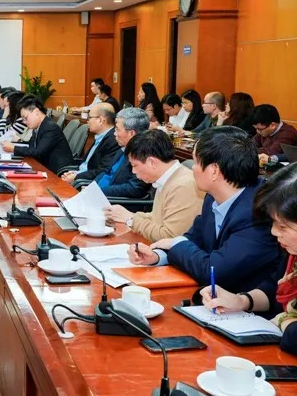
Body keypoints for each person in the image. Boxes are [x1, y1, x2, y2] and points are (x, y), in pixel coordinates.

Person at [128, 127, 282, 294]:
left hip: (244, 302)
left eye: (195, 162)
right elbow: (194, 238)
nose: (192, 168)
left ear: (214, 171)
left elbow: (213, 272)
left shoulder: (257, 212)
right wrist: (158, 256)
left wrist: (175, 244)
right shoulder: (211, 198)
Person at [198, 164, 297, 355]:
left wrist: (284, 320)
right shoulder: (292, 255)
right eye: (273, 223)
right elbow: (273, 290)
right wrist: (240, 301)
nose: (273, 232)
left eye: (283, 226)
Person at [104, 130, 204, 241]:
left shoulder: (183, 186)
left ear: (152, 162)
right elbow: (157, 218)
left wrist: (131, 220)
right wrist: (125, 215)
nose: (133, 171)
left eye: (134, 165)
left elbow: (170, 238)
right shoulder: (166, 178)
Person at [76, 107, 151, 199]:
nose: (114, 133)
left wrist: (99, 191)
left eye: (117, 129)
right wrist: (91, 187)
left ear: (131, 133)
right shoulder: (122, 148)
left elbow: (134, 188)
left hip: (113, 202)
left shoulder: (143, 154)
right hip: (96, 195)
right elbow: (106, 171)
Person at [1, 95, 74, 174]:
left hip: (58, 173)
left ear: (36, 112)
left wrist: (14, 148)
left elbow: (38, 152)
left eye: (25, 118)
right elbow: (31, 146)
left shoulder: (50, 127)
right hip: (44, 168)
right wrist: (14, 144)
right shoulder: (39, 126)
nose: (24, 122)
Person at [60, 103, 120, 183]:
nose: (87, 121)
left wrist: (76, 176)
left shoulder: (114, 140)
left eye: (90, 117)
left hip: (85, 182)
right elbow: (86, 164)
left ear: (100, 120)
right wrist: (73, 172)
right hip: (80, 176)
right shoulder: (100, 136)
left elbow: (102, 171)